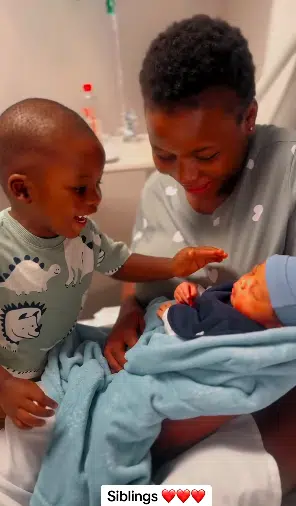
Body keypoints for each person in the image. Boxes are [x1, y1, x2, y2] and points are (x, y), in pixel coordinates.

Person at [103, 13, 296, 506]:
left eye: (205, 155)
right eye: (164, 154)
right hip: (162, 381)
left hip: (262, 399)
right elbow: (144, 270)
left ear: (248, 119)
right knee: (69, 443)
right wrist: (128, 315)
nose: (185, 176)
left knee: (189, 501)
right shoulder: (159, 190)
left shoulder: (288, 174)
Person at [0, 97, 228, 431]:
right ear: (23, 190)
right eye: (80, 188)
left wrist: (174, 266)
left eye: (97, 184)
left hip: (54, 365)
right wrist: (4, 386)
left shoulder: (81, 235)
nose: (95, 200)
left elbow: (120, 264)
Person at [157, 254, 294, 338]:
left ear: (275, 327)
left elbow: (190, 330)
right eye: (252, 273)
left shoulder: (233, 327)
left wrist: (170, 314)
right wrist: (193, 293)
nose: (243, 282)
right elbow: (213, 298)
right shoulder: (238, 298)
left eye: (254, 293)